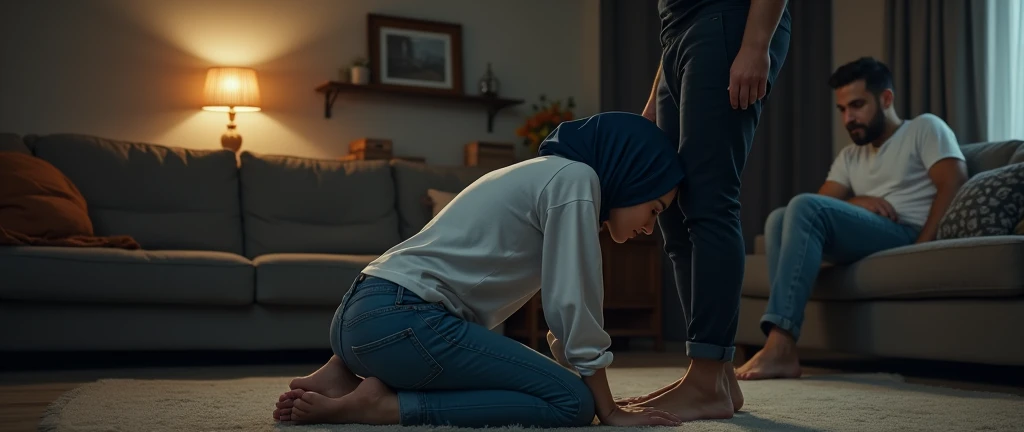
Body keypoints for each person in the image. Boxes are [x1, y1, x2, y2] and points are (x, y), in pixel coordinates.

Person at [270, 112, 687, 428]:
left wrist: (589, 378)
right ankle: (384, 405)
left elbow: (564, 312)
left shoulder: (540, 173)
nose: (650, 227)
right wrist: (607, 409)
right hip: (403, 323)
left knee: (566, 388)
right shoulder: (576, 182)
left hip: (359, 317)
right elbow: (574, 303)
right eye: (654, 209)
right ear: (633, 176)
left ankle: (342, 374)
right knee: (571, 404)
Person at [734, 57, 969, 380]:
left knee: (800, 207)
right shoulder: (851, 154)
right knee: (779, 218)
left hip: (904, 231)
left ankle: (781, 346)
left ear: (886, 99)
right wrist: (859, 200)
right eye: (842, 109)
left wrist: (923, 245)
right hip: (867, 233)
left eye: (857, 105)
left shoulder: (924, 128)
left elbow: (953, 181)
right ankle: (780, 344)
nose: (849, 118)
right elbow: (817, 206)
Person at [615, 0, 792, 422]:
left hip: (729, 21)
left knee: (709, 201)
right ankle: (719, 376)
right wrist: (657, 90)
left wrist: (755, 44)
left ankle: (706, 375)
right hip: (677, 36)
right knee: (673, 210)